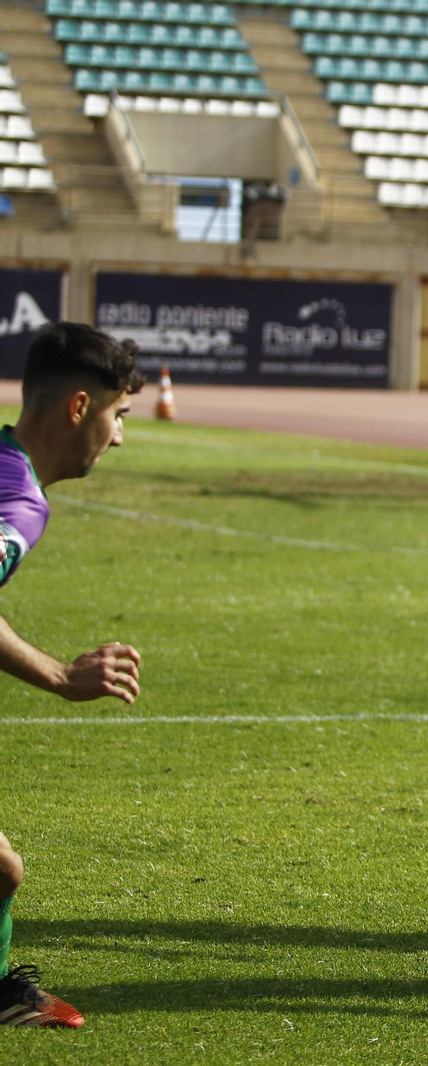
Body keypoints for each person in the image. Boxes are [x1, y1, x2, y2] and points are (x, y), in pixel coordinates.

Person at [0, 322, 146, 1028]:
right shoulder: (18, 502)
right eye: (118, 415)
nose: (119, 436)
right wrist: (58, 674)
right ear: (80, 408)